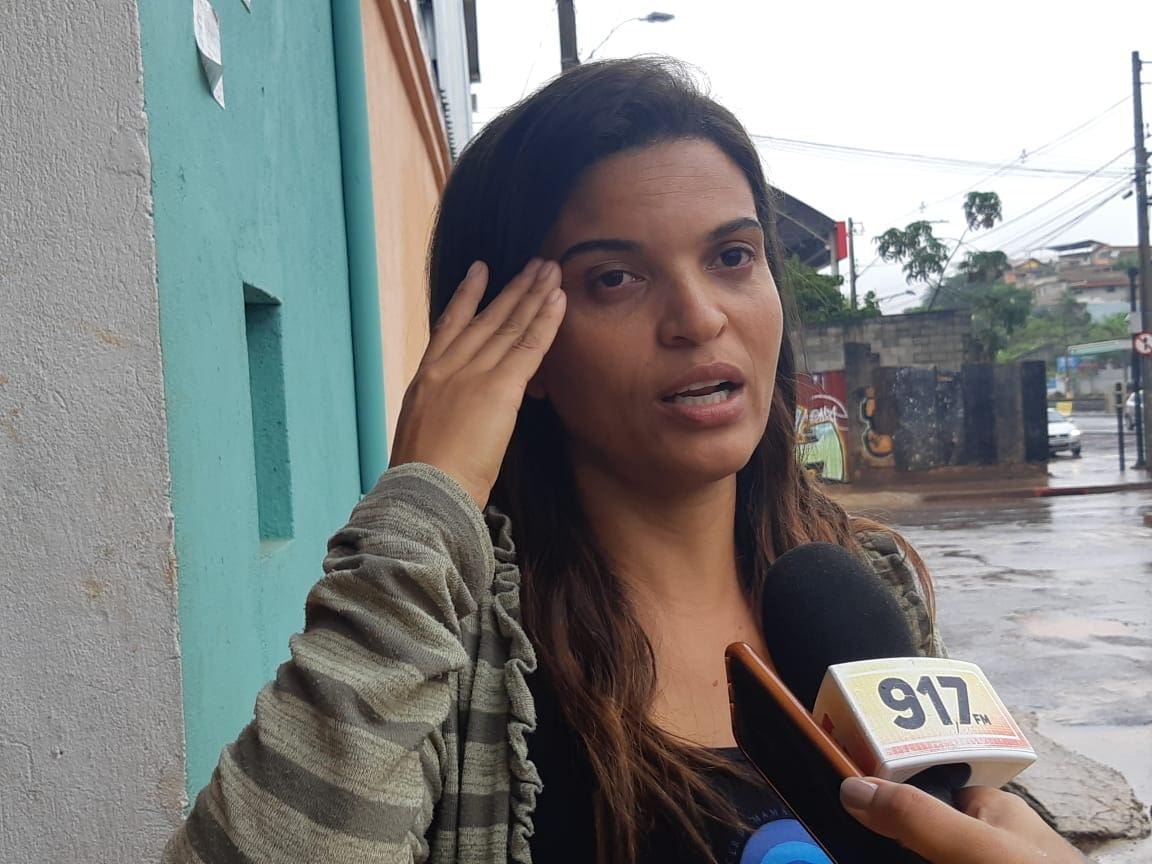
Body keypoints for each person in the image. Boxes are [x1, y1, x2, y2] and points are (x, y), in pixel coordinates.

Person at [163, 58, 1084, 864]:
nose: (697, 318)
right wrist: (426, 500)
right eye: (615, 278)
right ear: (518, 347)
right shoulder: (464, 651)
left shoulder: (862, 589)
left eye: (732, 256)